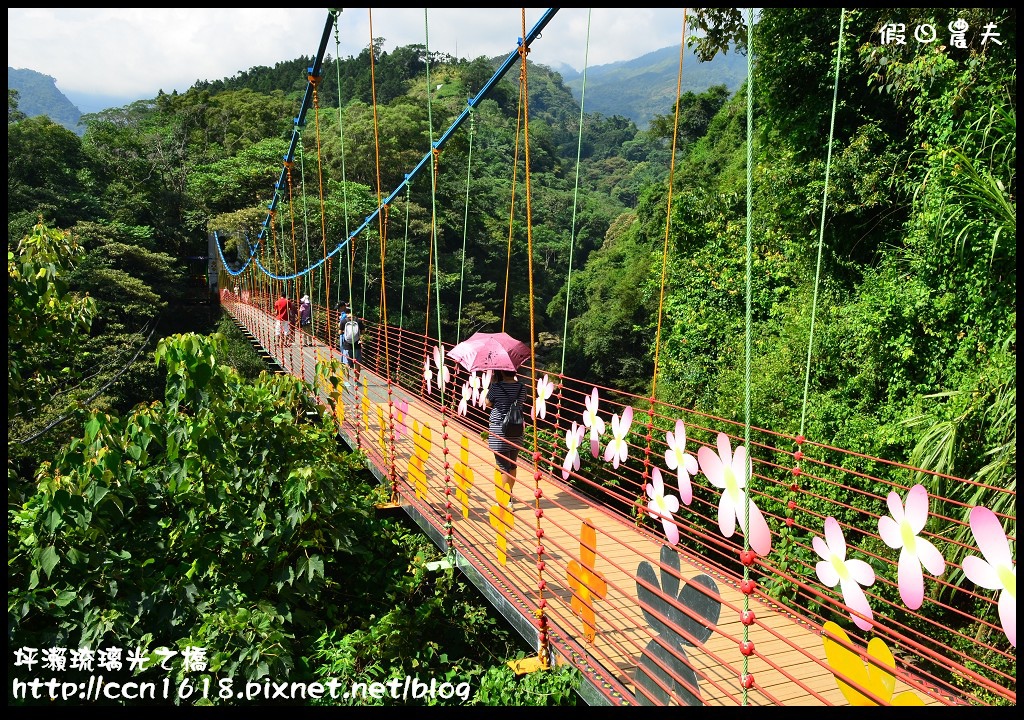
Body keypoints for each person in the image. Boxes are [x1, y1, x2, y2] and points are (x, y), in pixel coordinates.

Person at [484, 369, 527, 508]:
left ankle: (506, 500)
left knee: (503, 467)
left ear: (501, 372)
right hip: (516, 428)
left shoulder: (496, 387)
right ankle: (510, 496)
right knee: (512, 464)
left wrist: (493, 384)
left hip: (499, 430)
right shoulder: (521, 387)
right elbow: (521, 402)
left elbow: (487, 403)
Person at [338, 302, 363, 375]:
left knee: (347, 362)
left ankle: (347, 381)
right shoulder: (358, 320)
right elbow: (363, 331)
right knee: (357, 362)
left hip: (347, 344)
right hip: (357, 344)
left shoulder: (344, 321)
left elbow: (339, 332)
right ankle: (357, 379)